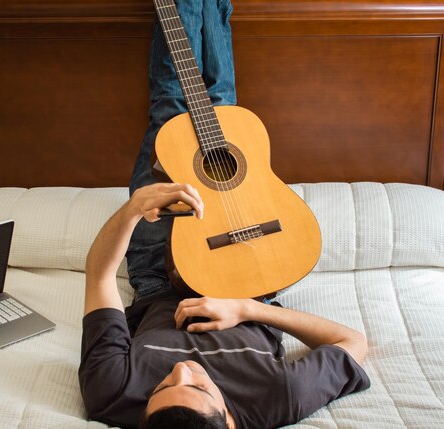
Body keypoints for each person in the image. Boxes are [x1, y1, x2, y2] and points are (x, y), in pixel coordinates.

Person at [79, 1, 370, 428]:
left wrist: (133, 209)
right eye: (198, 385)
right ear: (230, 421)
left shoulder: (113, 391)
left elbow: (99, 277)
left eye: (160, 387)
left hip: (160, 271)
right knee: (222, 107)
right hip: (247, 272)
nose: (180, 370)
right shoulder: (276, 398)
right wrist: (249, 311)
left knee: (171, 109)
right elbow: (353, 340)